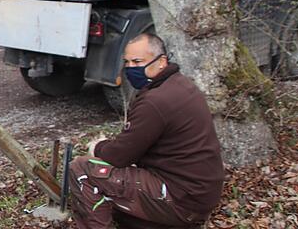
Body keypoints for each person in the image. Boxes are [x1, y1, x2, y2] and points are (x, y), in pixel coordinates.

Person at [68, 33, 224, 229]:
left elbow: (120, 155)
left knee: (82, 169)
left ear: (161, 62)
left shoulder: (155, 101)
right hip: (199, 193)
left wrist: (98, 147)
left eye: (138, 61)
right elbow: (138, 142)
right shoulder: (181, 85)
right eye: (128, 62)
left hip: (181, 199)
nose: (132, 68)